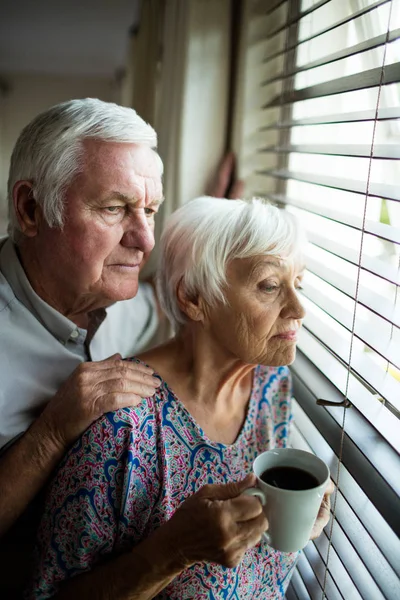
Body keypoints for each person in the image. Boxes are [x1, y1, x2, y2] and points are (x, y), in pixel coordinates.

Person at [29, 197, 333, 600]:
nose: (299, 308)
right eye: (270, 286)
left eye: (299, 284)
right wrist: (172, 551)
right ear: (193, 297)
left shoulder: (270, 382)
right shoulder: (120, 428)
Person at [0, 98, 244, 598]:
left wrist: (208, 233)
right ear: (30, 209)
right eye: (113, 208)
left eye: (150, 210)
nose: (145, 239)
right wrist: (50, 434)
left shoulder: (103, 293)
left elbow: (156, 294)